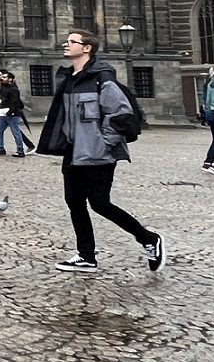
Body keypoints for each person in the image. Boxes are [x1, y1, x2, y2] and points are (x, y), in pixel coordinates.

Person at [35, 28, 164, 275]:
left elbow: (120, 114)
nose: (65, 44)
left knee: (100, 203)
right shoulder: (69, 79)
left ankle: (148, 238)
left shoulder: (101, 79)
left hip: (99, 153)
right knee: (74, 203)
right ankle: (86, 256)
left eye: (71, 41)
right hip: (74, 151)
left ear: (87, 48)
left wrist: (103, 142)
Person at [0, 70, 28, 156]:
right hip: (3, 113)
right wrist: (2, 101)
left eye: (4, 77)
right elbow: (5, 98)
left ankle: (20, 151)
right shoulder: (3, 87)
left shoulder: (14, 89)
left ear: (10, 79)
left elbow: (16, 102)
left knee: (16, 132)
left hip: (12, 114)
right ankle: (0, 148)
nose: (2, 79)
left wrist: (10, 112)